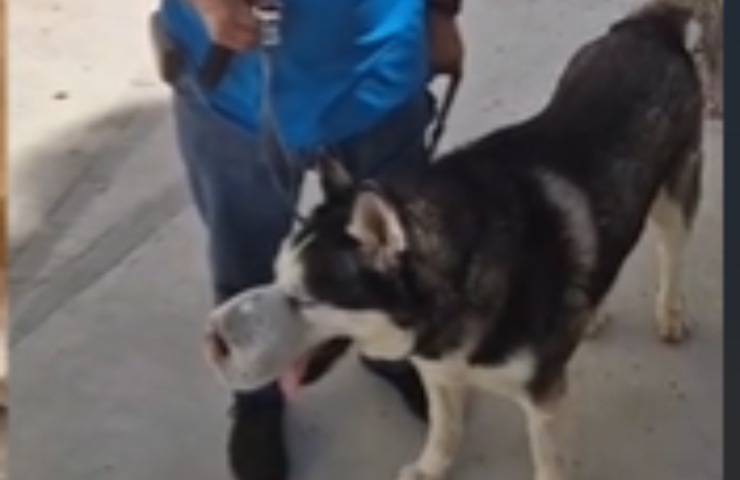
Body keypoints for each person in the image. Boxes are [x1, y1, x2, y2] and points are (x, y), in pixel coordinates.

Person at [153, 0, 464, 478]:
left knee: (392, 257)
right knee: (243, 258)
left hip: (380, 71)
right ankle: (256, 396)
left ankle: (391, 358)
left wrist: (441, 13)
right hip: (234, 93)